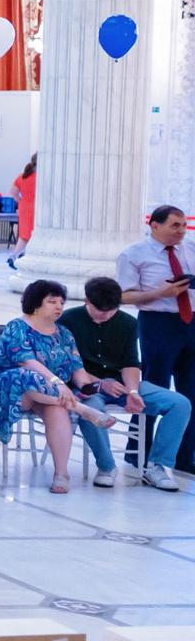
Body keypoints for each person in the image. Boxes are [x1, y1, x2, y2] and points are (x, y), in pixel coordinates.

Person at [0, 279, 114, 494]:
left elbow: (77, 369)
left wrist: (87, 387)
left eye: (61, 302)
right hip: (11, 390)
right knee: (27, 375)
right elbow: (27, 362)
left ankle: (61, 475)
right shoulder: (17, 327)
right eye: (52, 302)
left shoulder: (64, 334)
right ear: (36, 303)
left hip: (50, 396)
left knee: (58, 408)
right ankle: (81, 409)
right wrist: (58, 383)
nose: (58, 307)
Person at [61, 274, 189, 491]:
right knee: (91, 408)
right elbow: (69, 365)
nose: (105, 315)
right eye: (99, 310)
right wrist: (101, 384)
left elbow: (131, 363)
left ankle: (157, 467)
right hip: (86, 386)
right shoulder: (68, 321)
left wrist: (133, 391)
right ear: (86, 301)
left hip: (121, 384)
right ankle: (107, 467)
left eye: (111, 310)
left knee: (180, 403)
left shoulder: (128, 323)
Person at [120, 205, 195, 480]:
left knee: (192, 392)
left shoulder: (191, 248)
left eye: (183, 225)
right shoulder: (133, 254)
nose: (181, 231)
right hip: (158, 323)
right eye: (175, 225)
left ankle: (184, 457)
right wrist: (160, 293)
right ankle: (138, 452)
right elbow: (123, 296)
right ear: (154, 226)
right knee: (155, 389)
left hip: (191, 322)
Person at [12, 154, 39, 264]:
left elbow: (13, 192)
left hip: (23, 207)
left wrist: (22, 201)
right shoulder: (40, 177)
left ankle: (14, 256)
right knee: (33, 234)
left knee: (24, 235)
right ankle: (27, 256)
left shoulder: (22, 176)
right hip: (36, 208)